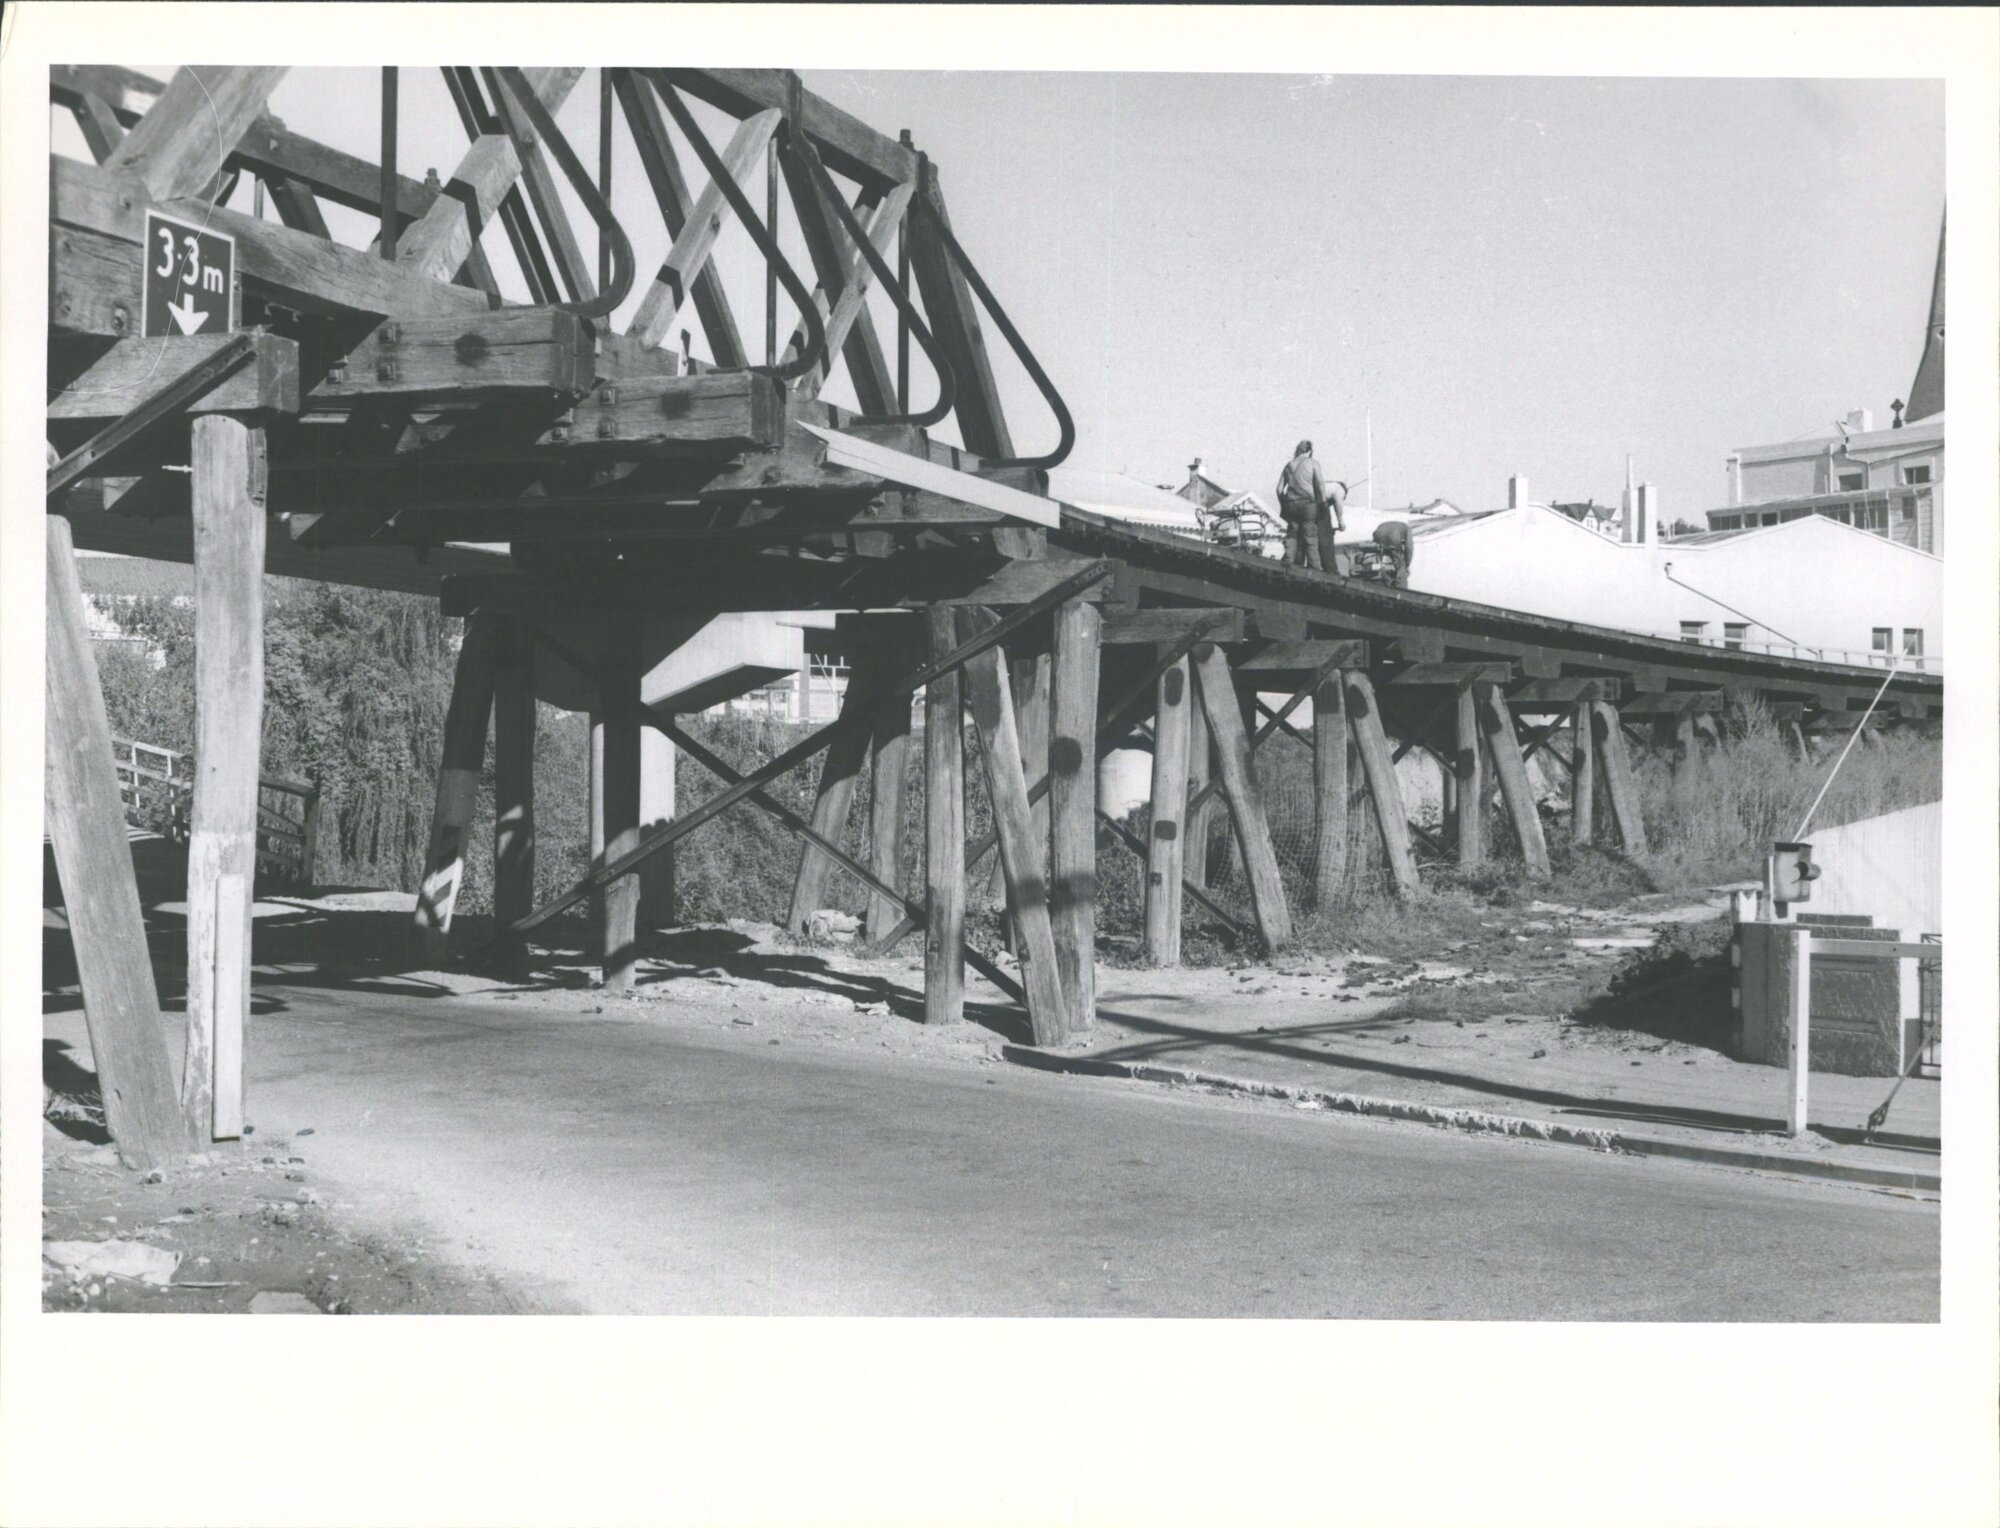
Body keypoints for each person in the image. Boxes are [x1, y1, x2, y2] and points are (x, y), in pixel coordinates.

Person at [1276, 441, 1346, 571]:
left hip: (1291, 504)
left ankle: (1288, 563)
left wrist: (1284, 505)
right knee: (1310, 535)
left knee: (1292, 534)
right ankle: (1315, 566)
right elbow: (1320, 485)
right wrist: (1322, 503)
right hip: (1307, 504)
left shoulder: (1288, 465)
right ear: (1310, 451)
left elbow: (1279, 490)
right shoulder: (1313, 463)